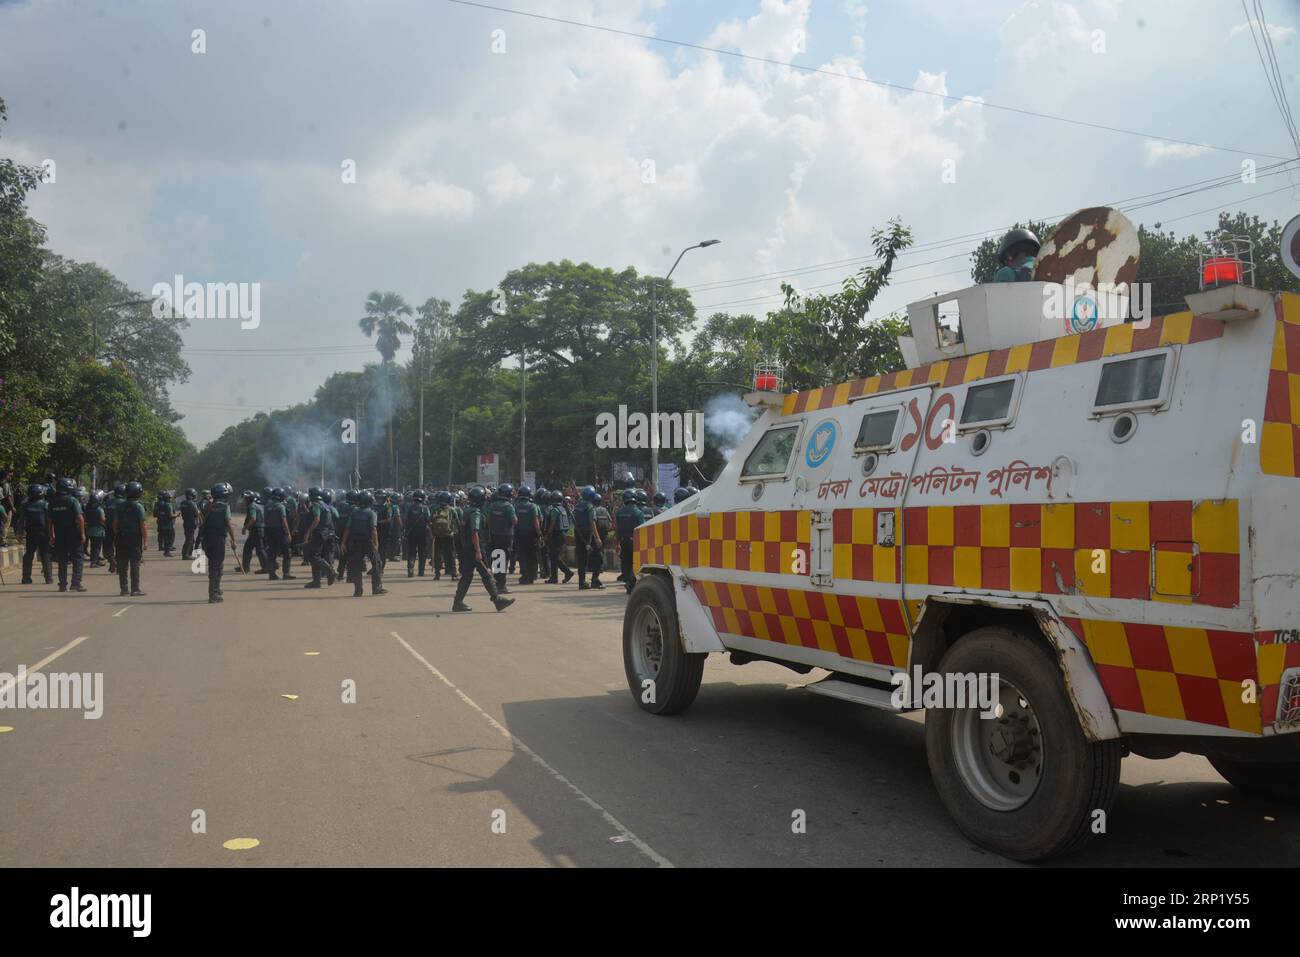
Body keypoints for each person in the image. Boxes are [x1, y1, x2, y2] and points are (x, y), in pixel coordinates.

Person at [452, 485, 513, 613]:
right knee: (486, 575)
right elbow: (475, 533)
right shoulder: (476, 513)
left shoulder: (467, 511)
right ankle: (497, 600)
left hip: (467, 548)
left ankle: (458, 602)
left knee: (467, 576)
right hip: (475, 548)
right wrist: (478, 551)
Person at [199, 483, 241, 603]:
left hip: (207, 539)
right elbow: (228, 524)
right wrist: (233, 540)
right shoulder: (225, 506)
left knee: (217, 565)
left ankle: (216, 589)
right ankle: (212, 595)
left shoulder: (208, 505)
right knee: (215, 567)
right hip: (218, 539)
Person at [340, 489, 386, 597]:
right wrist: (376, 544)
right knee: (377, 564)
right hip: (369, 542)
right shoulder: (372, 513)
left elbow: (347, 528)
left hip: (355, 542)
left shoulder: (353, 512)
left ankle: (358, 590)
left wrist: (343, 543)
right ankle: (376, 588)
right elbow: (373, 529)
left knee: (357, 567)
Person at [48, 477, 87, 592]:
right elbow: (80, 518)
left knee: (62, 560)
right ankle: (76, 583)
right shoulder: (73, 500)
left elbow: (49, 521)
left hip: (60, 534)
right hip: (73, 534)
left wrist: (51, 535)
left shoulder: (52, 502)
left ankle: (62, 585)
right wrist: (83, 533)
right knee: (78, 559)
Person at [114, 481, 148, 597]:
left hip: (122, 537)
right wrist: (145, 541)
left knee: (122, 564)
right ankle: (135, 589)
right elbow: (142, 525)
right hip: (134, 538)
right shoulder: (139, 506)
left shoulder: (120, 506)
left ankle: (124, 589)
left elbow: (115, 523)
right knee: (135, 563)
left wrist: (117, 534)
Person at [484, 482, 517, 594]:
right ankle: (501, 586)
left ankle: (496, 583)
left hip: (494, 535)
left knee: (496, 558)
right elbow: (514, 521)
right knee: (504, 559)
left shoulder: (492, 505)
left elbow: (487, 521)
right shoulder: (509, 506)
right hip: (506, 536)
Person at [570, 485, 604, 590]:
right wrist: (597, 538)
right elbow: (592, 522)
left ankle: (582, 582)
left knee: (582, 558)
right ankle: (595, 580)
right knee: (598, 556)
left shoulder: (578, 506)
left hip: (578, 533)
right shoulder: (590, 507)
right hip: (588, 534)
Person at [20, 483, 53, 585]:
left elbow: (21, 520)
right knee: (45, 555)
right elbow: (49, 521)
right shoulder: (46, 504)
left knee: (28, 555)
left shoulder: (25, 505)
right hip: (43, 533)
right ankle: (48, 578)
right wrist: (52, 534)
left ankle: (26, 578)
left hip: (30, 533)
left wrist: (19, 532)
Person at [614, 488, 646, 593]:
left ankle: (628, 581)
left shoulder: (619, 513)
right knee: (634, 562)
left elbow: (617, 529)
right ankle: (631, 583)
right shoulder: (638, 512)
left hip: (623, 540)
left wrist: (617, 543)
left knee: (626, 562)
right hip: (635, 541)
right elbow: (642, 528)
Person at [262, 488, 295, 580]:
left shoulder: (267, 506)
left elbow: (264, 520)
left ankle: (272, 574)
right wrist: (288, 533)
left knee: (272, 553)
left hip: (269, 530)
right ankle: (286, 574)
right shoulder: (281, 506)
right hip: (280, 531)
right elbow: (284, 521)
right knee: (287, 553)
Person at [542, 489, 574, 585]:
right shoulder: (563, 509)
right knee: (554, 556)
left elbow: (552, 525)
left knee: (554, 556)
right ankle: (554, 577)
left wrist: (546, 535)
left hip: (555, 534)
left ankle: (567, 572)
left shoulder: (554, 510)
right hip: (563, 534)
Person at [513, 485, 542, 585]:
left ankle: (524, 576)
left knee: (522, 556)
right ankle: (532, 576)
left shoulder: (516, 506)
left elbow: (513, 521)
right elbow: (536, 521)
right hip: (531, 534)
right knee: (532, 556)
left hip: (520, 534)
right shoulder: (533, 506)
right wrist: (539, 534)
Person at [430, 490, 458, 580]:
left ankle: (437, 574)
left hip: (438, 535)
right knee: (451, 554)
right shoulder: (452, 510)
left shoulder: (435, 509)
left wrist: (433, 532)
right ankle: (453, 574)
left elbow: (430, 521)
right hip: (449, 535)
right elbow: (457, 521)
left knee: (437, 554)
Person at [240, 490, 269, 574]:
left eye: (245, 498)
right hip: (260, 529)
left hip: (256, 530)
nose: (244, 500)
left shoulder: (251, 506)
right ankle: (245, 567)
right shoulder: (259, 506)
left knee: (259, 550)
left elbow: (253, 518)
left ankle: (266, 567)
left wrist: (245, 528)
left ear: (248, 499)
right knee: (248, 549)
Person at [404, 489, 431, 577]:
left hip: (411, 533)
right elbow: (429, 520)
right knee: (422, 552)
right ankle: (421, 571)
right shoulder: (425, 508)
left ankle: (410, 568)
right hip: (422, 534)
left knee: (411, 552)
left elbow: (406, 520)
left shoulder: (409, 507)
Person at [85, 490, 107, 566]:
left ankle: (95, 560)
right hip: (99, 531)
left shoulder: (88, 509)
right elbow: (103, 520)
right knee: (97, 547)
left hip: (90, 531)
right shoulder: (99, 510)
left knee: (93, 547)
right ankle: (94, 562)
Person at [177, 488, 200, 559]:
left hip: (186, 522)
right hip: (191, 523)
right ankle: (185, 555)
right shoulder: (192, 503)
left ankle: (189, 553)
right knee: (189, 539)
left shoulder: (183, 503)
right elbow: (197, 514)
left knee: (191, 539)